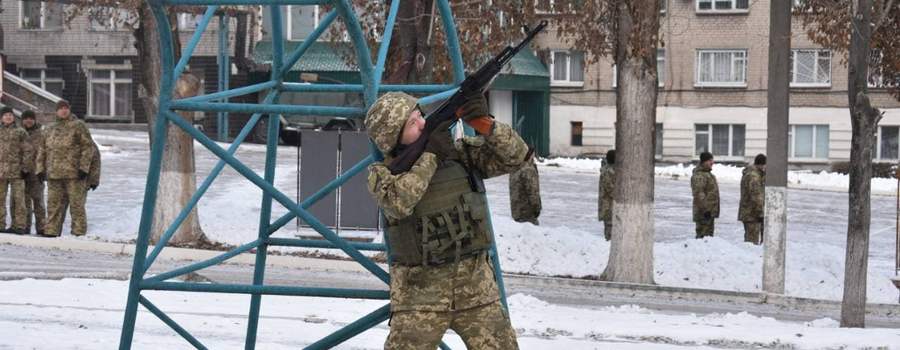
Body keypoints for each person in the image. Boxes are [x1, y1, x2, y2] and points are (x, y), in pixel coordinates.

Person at [365, 91, 524, 349]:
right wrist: (430, 156)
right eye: (412, 123)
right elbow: (399, 203)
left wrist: (485, 124)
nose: (423, 124)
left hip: (476, 292)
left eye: (419, 116)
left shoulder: (458, 155)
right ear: (393, 137)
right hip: (419, 299)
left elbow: (517, 157)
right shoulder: (382, 174)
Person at [36, 100, 93, 237]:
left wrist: (84, 167)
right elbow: (42, 150)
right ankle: (51, 230)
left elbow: (88, 147)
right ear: (56, 111)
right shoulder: (49, 129)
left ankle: (78, 233)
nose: (64, 111)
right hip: (54, 174)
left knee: (76, 206)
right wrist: (40, 169)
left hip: (74, 174)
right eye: (61, 108)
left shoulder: (78, 126)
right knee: (53, 205)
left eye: (66, 108)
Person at [0, 107, 30, 235]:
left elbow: (28, 151)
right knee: (0, 199)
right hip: (1, 172)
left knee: (19, 200)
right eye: (5, 115)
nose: (8, 117)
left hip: (17, 172)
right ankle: (0, 225)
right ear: (1, 117)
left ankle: (19, 226)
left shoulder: (20, 132)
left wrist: (25, 168)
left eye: (10, 115)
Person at [20, 110, 45, 235]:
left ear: (34, 120)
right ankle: (25, 227)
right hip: (21, 173)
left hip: (37, 174)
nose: (28, 120)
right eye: (26, 118)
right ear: (22, 120)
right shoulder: (19, 133)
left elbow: (47, 153)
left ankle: (41, 227)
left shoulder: (42, 134)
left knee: (38, 201)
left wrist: (43, 170)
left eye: (31, 118)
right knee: (24, 202)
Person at [509, 148, 541, 225]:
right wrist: (537, 208)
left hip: (516, 212)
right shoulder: (528, 170)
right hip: (527, 213)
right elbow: (533, 192)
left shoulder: (514, 169)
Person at [691, 151, 719, 239]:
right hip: (703, 214)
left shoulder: (708, 174)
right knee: (702, 239)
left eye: (712, 160)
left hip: (709, 213)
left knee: (708, 240)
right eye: (710, 160)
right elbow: (699, 194)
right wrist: (705, 210)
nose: (712, 162)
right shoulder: (700, 176)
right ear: (704, 162)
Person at [739, 154, 766, 245]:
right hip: (752, 214)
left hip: (750, 213)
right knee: (751, 243)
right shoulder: (754, 177)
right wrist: (760, 212)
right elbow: (756, 196)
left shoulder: (755, 174)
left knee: (751, 240)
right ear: (762, 164)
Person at [598, 149, 615, 241]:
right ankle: (608, 241)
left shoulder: (609, 170)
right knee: (610, 227)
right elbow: (611, 189)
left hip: (609, 205)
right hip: (608, 206)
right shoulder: (608, 172)